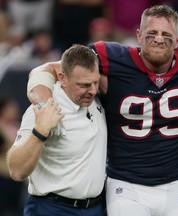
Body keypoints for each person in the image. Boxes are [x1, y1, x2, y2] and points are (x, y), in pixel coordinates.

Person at [26, 4, 178, 216]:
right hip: (126, 184)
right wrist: (43, 105)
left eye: (166, 34)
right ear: (139, 35)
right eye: (151, 33)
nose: (159, 39)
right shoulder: (111, 58)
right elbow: (48, 69)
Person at [7, 44, 107, 216]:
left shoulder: (95, 99)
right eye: (83, 85)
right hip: (52, 209)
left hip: (95, 208)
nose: (92, 90)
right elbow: (16, 170)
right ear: (63, 79)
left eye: (95, 82)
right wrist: (40, 131)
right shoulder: (42, 109)